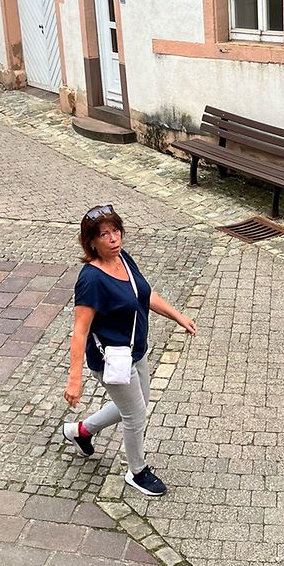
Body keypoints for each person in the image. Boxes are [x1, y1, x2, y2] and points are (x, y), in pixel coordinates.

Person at [63, 204, 196, 496]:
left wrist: (178, 316)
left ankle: (81, 431)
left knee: (138, 403)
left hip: (135, 350)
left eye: (116, 231)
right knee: (135, 414)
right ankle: (137, 471)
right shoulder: (91, 280)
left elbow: (143, 294)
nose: (114, 238)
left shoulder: (122, 258)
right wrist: (75, 378)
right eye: (104, 234)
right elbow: (80, 331)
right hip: (111, 360)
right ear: (91, 241)